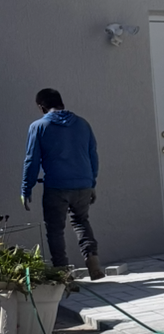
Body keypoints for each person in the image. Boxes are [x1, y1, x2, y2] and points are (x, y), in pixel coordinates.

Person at [21, 89, 103, 279]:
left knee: (55, 230)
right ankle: (93, 262)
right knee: (81, 221)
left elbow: (31, 160)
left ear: (41, 106)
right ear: (61, 103)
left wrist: (26, 188)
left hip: (56, 187)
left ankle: (63, 275)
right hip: (83, 185)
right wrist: (92, 182)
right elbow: (93, 156)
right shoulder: (83, 124)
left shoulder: (39, 126)